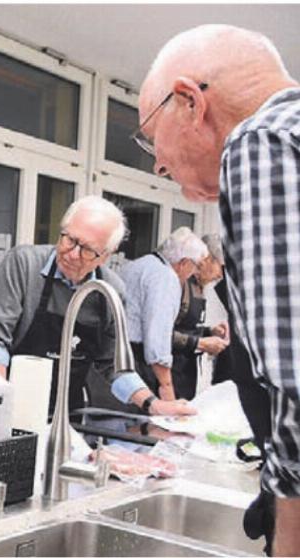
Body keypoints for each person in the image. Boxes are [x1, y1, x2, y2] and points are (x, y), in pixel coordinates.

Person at [136, 24, 300, 556]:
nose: (158, 164)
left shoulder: (260, 141)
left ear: (188, 102)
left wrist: (289, 529)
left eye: (150, 137)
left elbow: (296, 380)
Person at [0, 196, 193, 416]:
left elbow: (113, 363)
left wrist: (153, 404)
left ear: (106, 256)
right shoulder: (23, 264)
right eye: (69, 240)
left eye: (88, 250)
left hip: (67, 410)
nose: (72, 254)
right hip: (10, 397)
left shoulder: (110, 289)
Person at [120, 227, 208, 401]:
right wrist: (166, 387)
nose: (194, 273)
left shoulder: (139, 264)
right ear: (184, 262)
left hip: (116, 359)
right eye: (195, 266)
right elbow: (157, 340)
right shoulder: (166, 277)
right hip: (137, 363)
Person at [169, 233, 229, 400]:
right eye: (220, 267)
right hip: (166, 377)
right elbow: (161, 334)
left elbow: (187, 328)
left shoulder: (199, 287)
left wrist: (211, 332)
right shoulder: (178, 284)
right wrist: (201, 343)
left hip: (186, 377)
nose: (221, 276)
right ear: (206, 259)